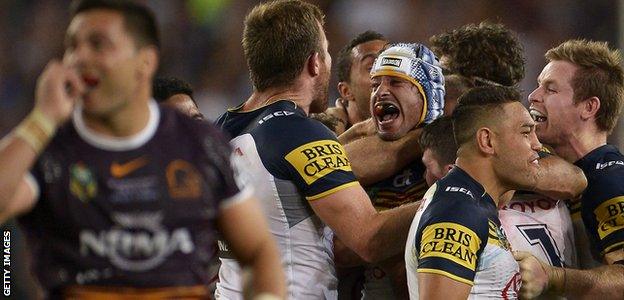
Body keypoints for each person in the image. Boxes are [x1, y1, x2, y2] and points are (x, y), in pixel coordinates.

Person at [0, 0, 285, 298]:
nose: (79, 57)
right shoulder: (53, 150)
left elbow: (258, 252)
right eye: (72, 45)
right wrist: (41, 119)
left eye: (98, 44)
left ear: (145, 62)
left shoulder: (202, 147)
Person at [214, 1, 420, 299]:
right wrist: (448, 195)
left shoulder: (220, 130)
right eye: (326, 52)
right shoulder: (301, 133)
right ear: (314, 63)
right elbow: (369, 237)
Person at [405, 86, 542, 299]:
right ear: (487, 141)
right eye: (525, 132)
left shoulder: (469, 201)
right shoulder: (458, 211)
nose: (538, 145)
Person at [517, 39, 624, 299]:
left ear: (589, 107)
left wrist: (551, 278)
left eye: (550, 90)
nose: (533, 96)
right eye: (539, 85)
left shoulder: (608, 179)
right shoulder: (553, 168)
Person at [420, 116, 580, 272]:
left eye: (428, 167)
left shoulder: (452, 224)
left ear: (451, 171)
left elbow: (575, 180)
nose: (424, 176)